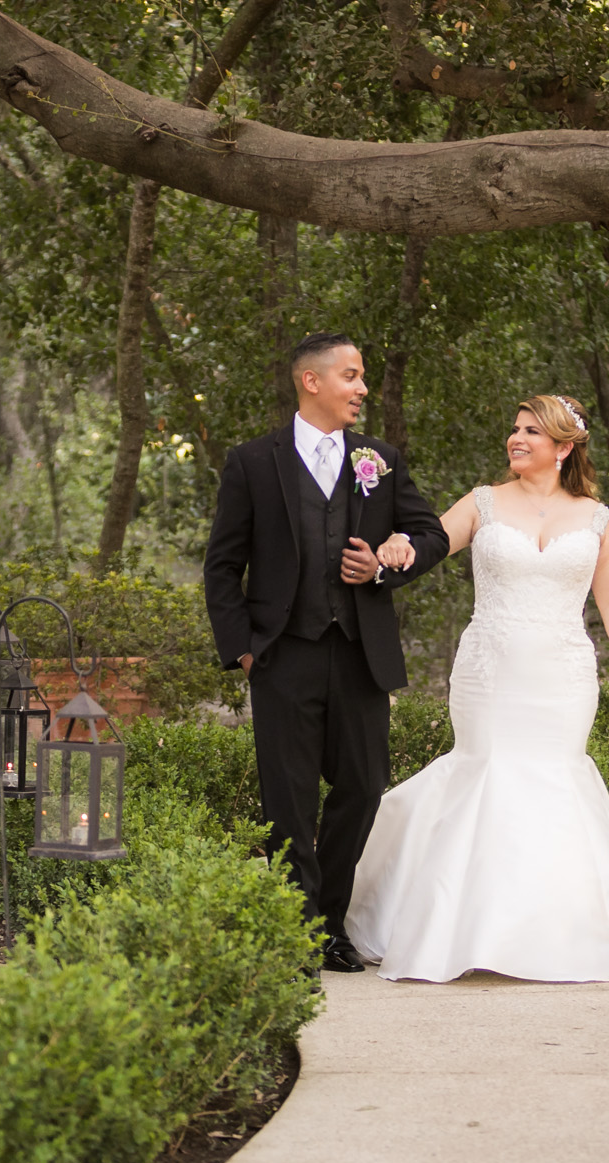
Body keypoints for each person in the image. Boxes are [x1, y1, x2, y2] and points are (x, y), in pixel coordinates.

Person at [345, 395, 609, 983]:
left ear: (564, 448)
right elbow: (428, 543)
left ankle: (555, 935)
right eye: (514, 429)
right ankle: (459, 928)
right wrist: (392, 553)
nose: (516, 439)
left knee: (554, 777)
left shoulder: (595, 518)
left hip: (563, 675)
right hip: (489, 669)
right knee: (486, 768)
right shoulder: (483, 503)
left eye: (531, 432)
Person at [203, 333, 450, 972]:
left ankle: (331, 921)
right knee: (287, 798)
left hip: (360, 651)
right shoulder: (253, 462)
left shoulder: (380, 459)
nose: (362, 388)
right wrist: (246, 651)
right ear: (311, 382)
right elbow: (222, 566)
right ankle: (301, 931)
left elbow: (430, 536)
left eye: (362, 376)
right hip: (283, 654)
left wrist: (384, 566)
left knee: (363, 786)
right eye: (352, 376)